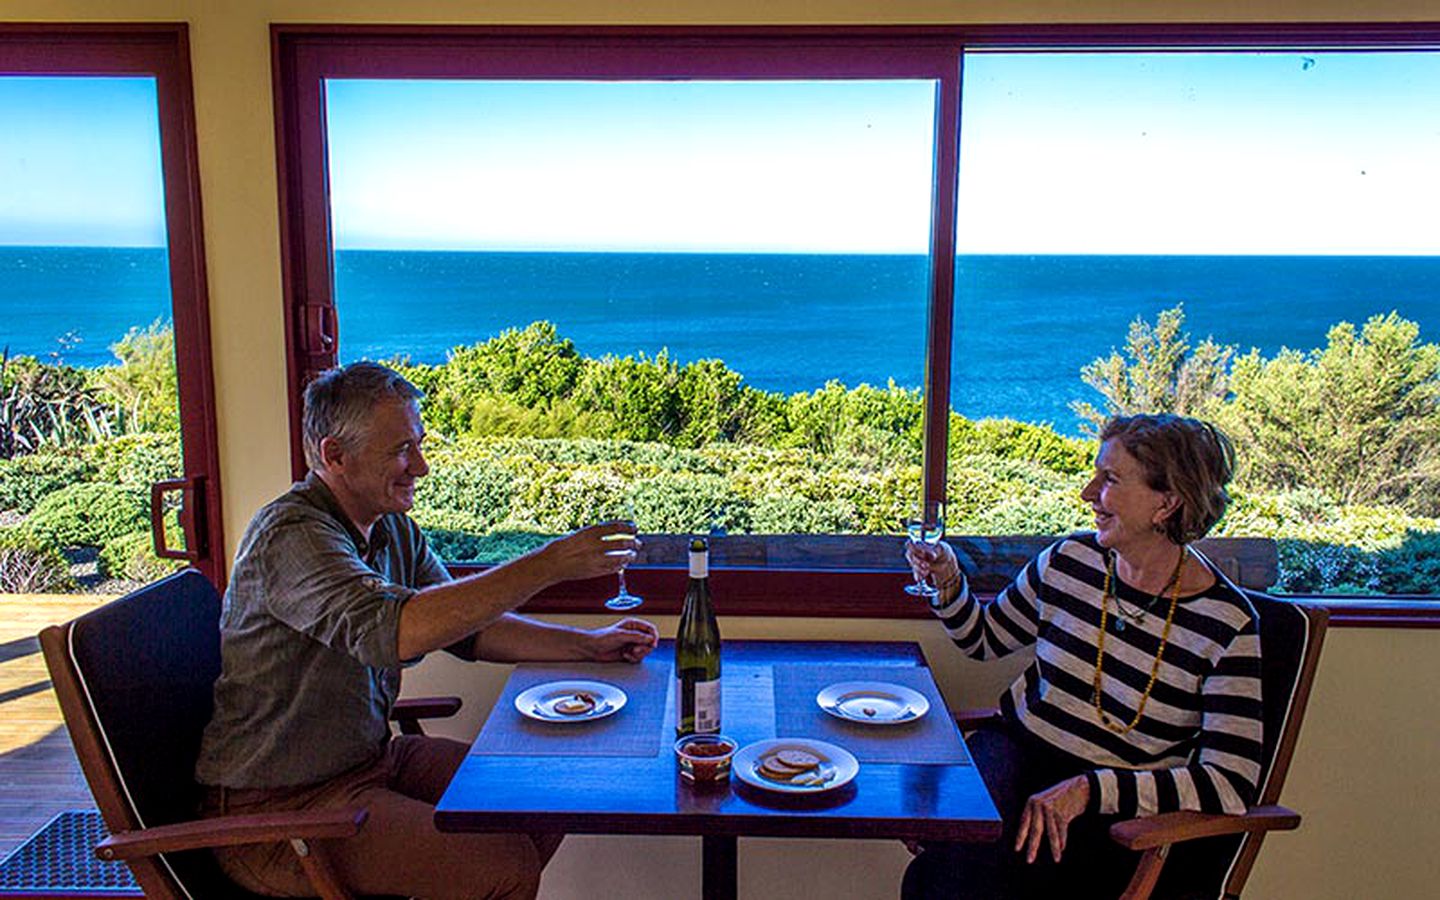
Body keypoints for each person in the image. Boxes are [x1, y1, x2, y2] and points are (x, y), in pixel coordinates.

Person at [194, 361, 659, 900]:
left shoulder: (390, 527)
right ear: (334, 456)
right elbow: (395, 631)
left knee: (540, 798)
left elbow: (466, 629)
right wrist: (549, 563)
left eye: (417, 444)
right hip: (281, 809)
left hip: (370, 762)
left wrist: (589, 647)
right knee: (502, 870)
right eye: (400, 451)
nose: (421, 466)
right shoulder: (293, 537)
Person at [902, 414, 1263, 900]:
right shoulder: (1070, 561)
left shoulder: (1227, 623)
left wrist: (1091, 790)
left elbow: (1230, 784)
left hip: (1111, 811)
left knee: (971, 872)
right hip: (1018, 758)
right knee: (963, 853)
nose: (1088, 493)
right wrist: (947, 579)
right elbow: (983, 640)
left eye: (1110, 479)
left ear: (1168, 502)